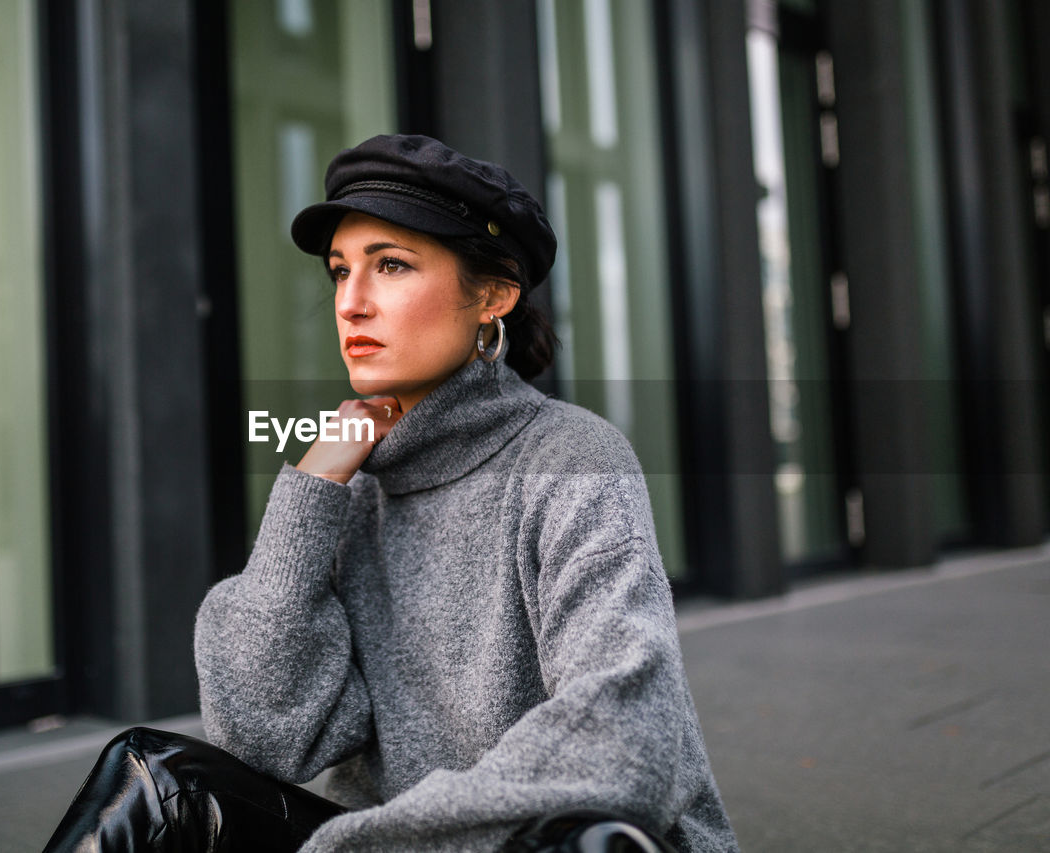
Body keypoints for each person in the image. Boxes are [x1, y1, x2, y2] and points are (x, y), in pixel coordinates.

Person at [44, 134, 738, 852]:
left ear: (494, 294)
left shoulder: (573, 458)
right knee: (156, 778)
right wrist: (309, 491)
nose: (351, 302)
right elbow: (263, 733)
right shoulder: (347, 490)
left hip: (522, 839)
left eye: (392, 266)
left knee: (589, 842)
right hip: (392, 841)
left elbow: (622, 734)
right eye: (341, 271)